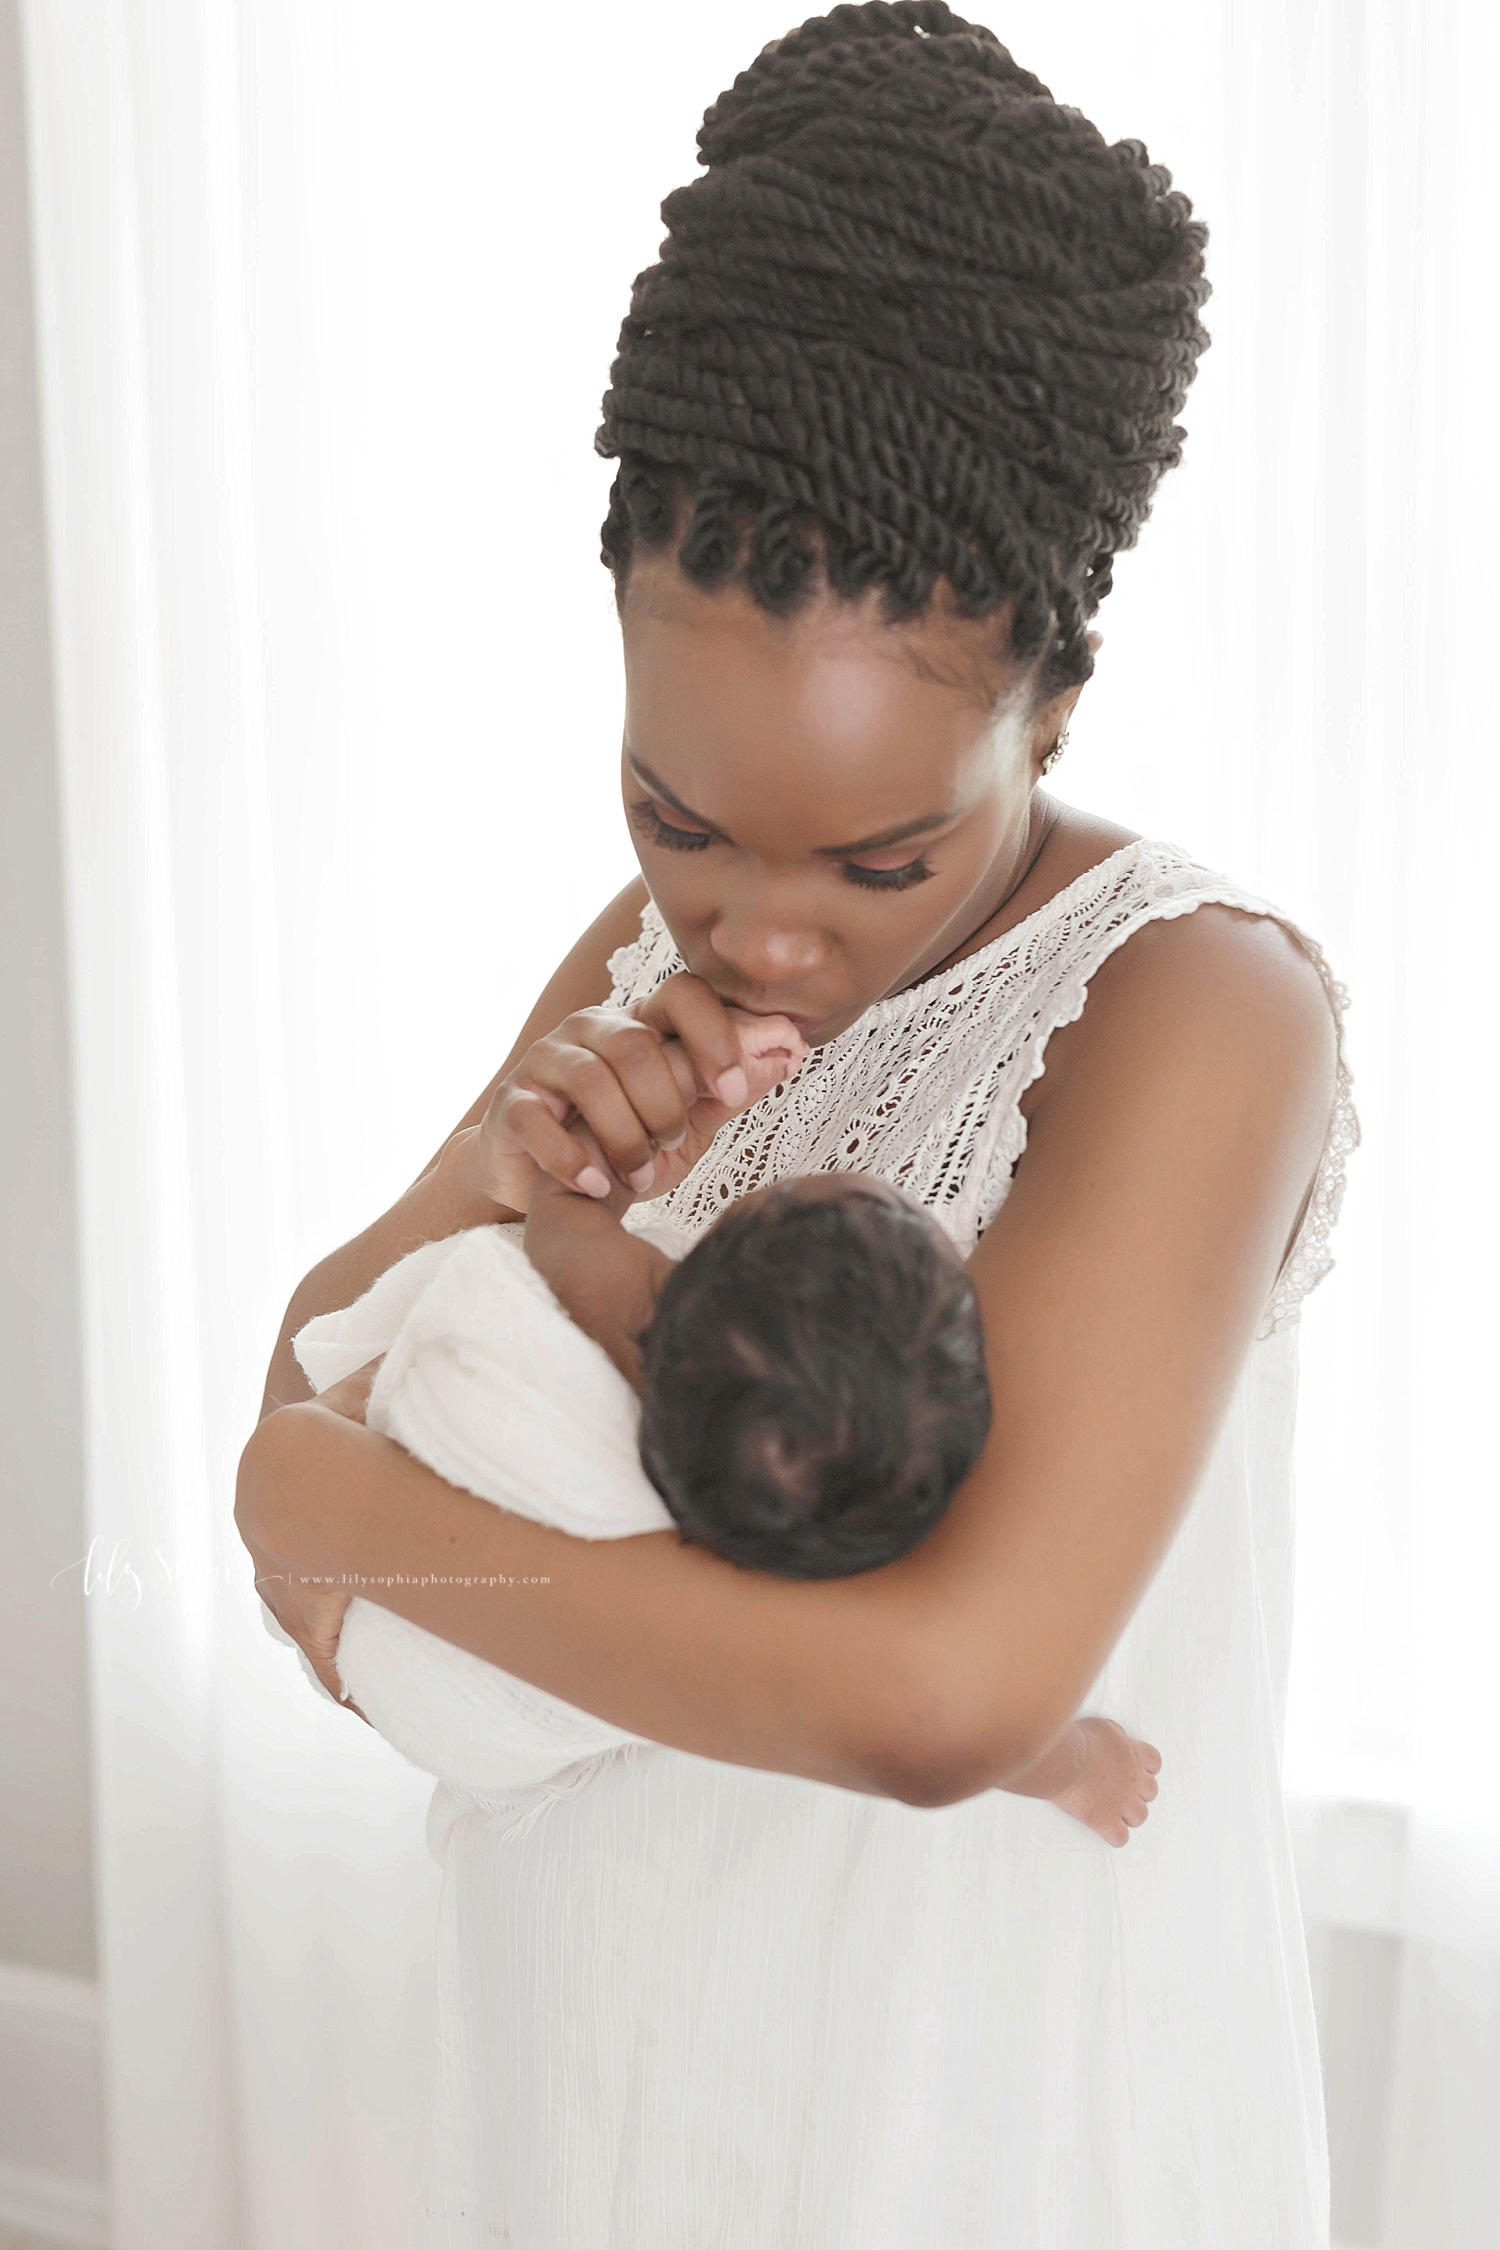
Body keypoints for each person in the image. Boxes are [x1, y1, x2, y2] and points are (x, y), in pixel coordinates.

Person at [236, 7, 1357, 2242]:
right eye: (678, 816)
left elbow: (948, 1691)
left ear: (1059, 698)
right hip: (606, 2068)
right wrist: (514, 1197)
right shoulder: (636, 956)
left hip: (971, 2128)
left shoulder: (1192, 1012)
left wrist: (336, 1516)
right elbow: (311, 1385)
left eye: (878, 865)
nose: (758, 939)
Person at [282, 1063, 1163, 1846]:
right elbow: (1000, 1742)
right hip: (465, 1712)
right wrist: (1083, 1763)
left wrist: (643, 1142)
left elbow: (565, 1222)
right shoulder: (843, 1581)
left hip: (413, 1622)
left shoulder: (648, 1325)